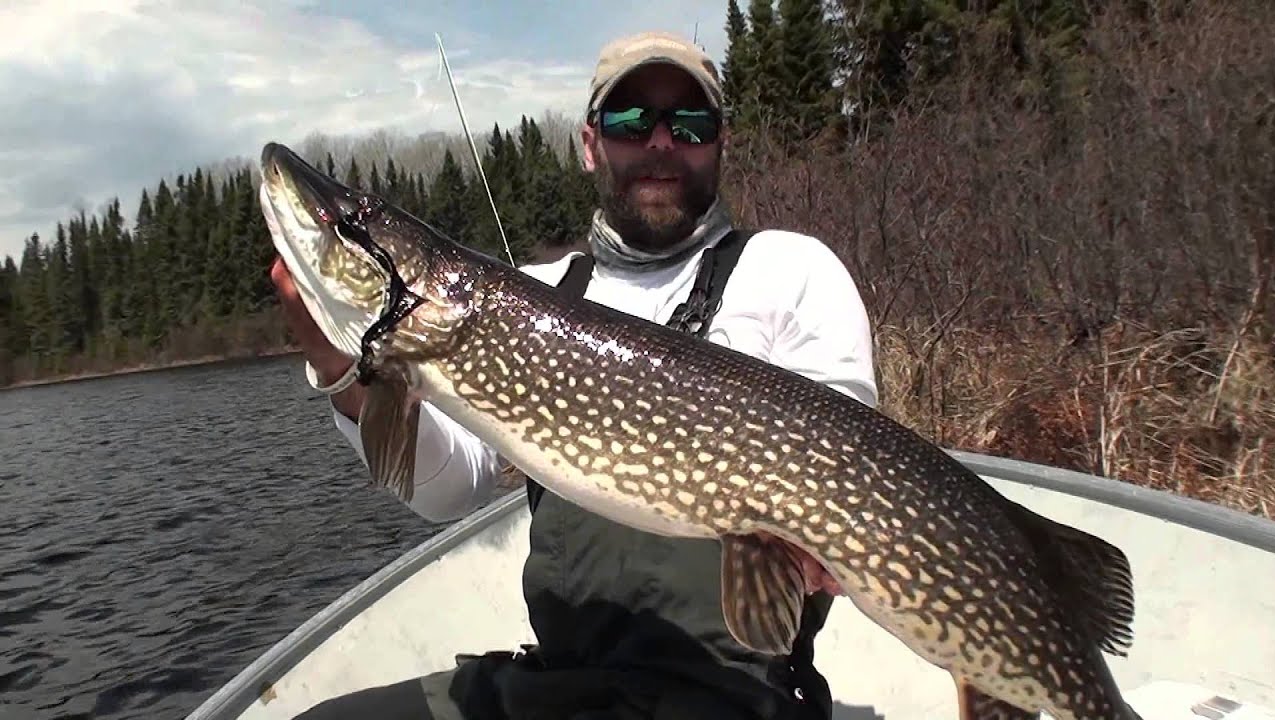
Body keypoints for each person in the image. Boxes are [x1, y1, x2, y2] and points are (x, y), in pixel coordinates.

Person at [271, 30, 879, 720]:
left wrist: (812, 546)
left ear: (721, 142)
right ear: (590, 143)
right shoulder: (539, 291)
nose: (659, 141)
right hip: (563, 684)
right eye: (629, 120)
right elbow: (448, 489)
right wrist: (337, 364)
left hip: (729, 692)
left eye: (690, 122)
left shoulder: (790, 270)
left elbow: (848, 463)